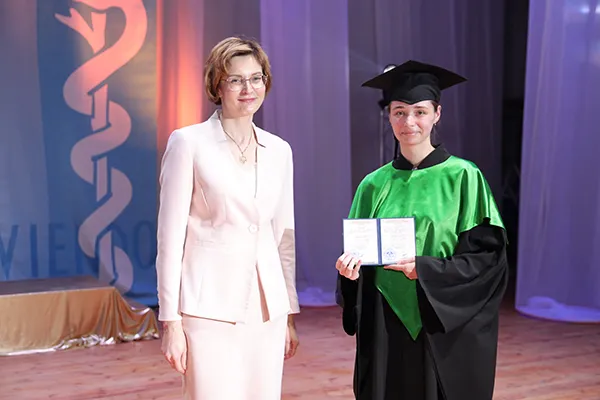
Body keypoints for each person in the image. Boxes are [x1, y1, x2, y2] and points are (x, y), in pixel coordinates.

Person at [335, 60, 508, 400]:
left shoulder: (464, 177)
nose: (409, 122)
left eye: (420, 112)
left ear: (437, 114)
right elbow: (360, 261)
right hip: (385, 323)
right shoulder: (373, 184)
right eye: (399, 112)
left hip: (442, 323)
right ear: (389, 116)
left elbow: (488, 261)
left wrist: (426, 270)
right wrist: (349, 274)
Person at [155, 36, 300, 400]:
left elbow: (283, 236)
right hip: (209, 309)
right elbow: (170, 239)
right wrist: (170, 322)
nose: (248, 89)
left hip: (267, 310)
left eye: (256, 78)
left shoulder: (279, 150)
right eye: (236, 79)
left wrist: (289, 313)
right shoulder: (188, 143)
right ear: (217, 85)